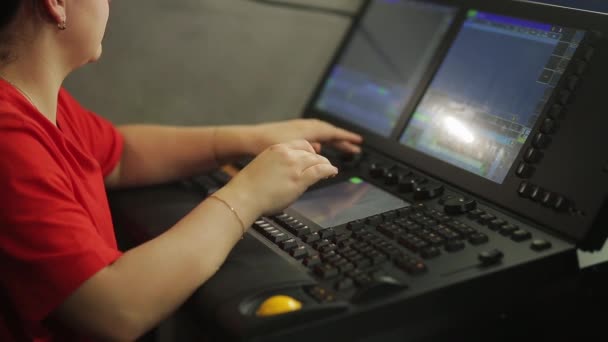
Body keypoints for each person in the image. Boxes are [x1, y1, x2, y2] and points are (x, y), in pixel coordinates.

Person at [0, 1, 363, 341]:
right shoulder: (8, 136)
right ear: (56, 3)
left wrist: (251, 137)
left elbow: (122, 154)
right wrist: (249, 193)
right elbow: (115, 308)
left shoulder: (37, 104)